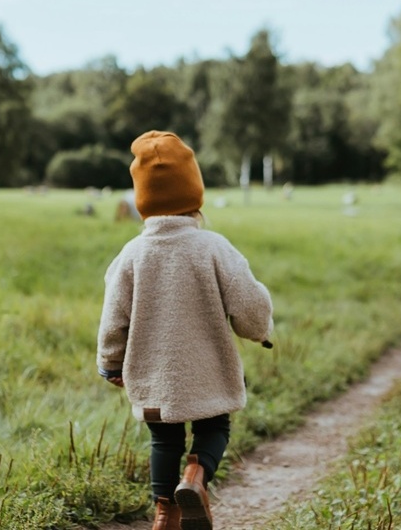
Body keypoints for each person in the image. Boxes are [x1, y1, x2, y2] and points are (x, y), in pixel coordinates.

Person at [97, 130, 274, 530]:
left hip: (154, 373)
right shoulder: (214, 247)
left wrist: (110, 363)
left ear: (142, 201)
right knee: (215, 426)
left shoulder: (131, 255)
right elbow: (250, 303)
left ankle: (164, 514)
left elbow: (113, 318)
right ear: (195, 194)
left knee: (164, 440)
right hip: (208, 368)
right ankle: (195, 476)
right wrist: (260, 331)